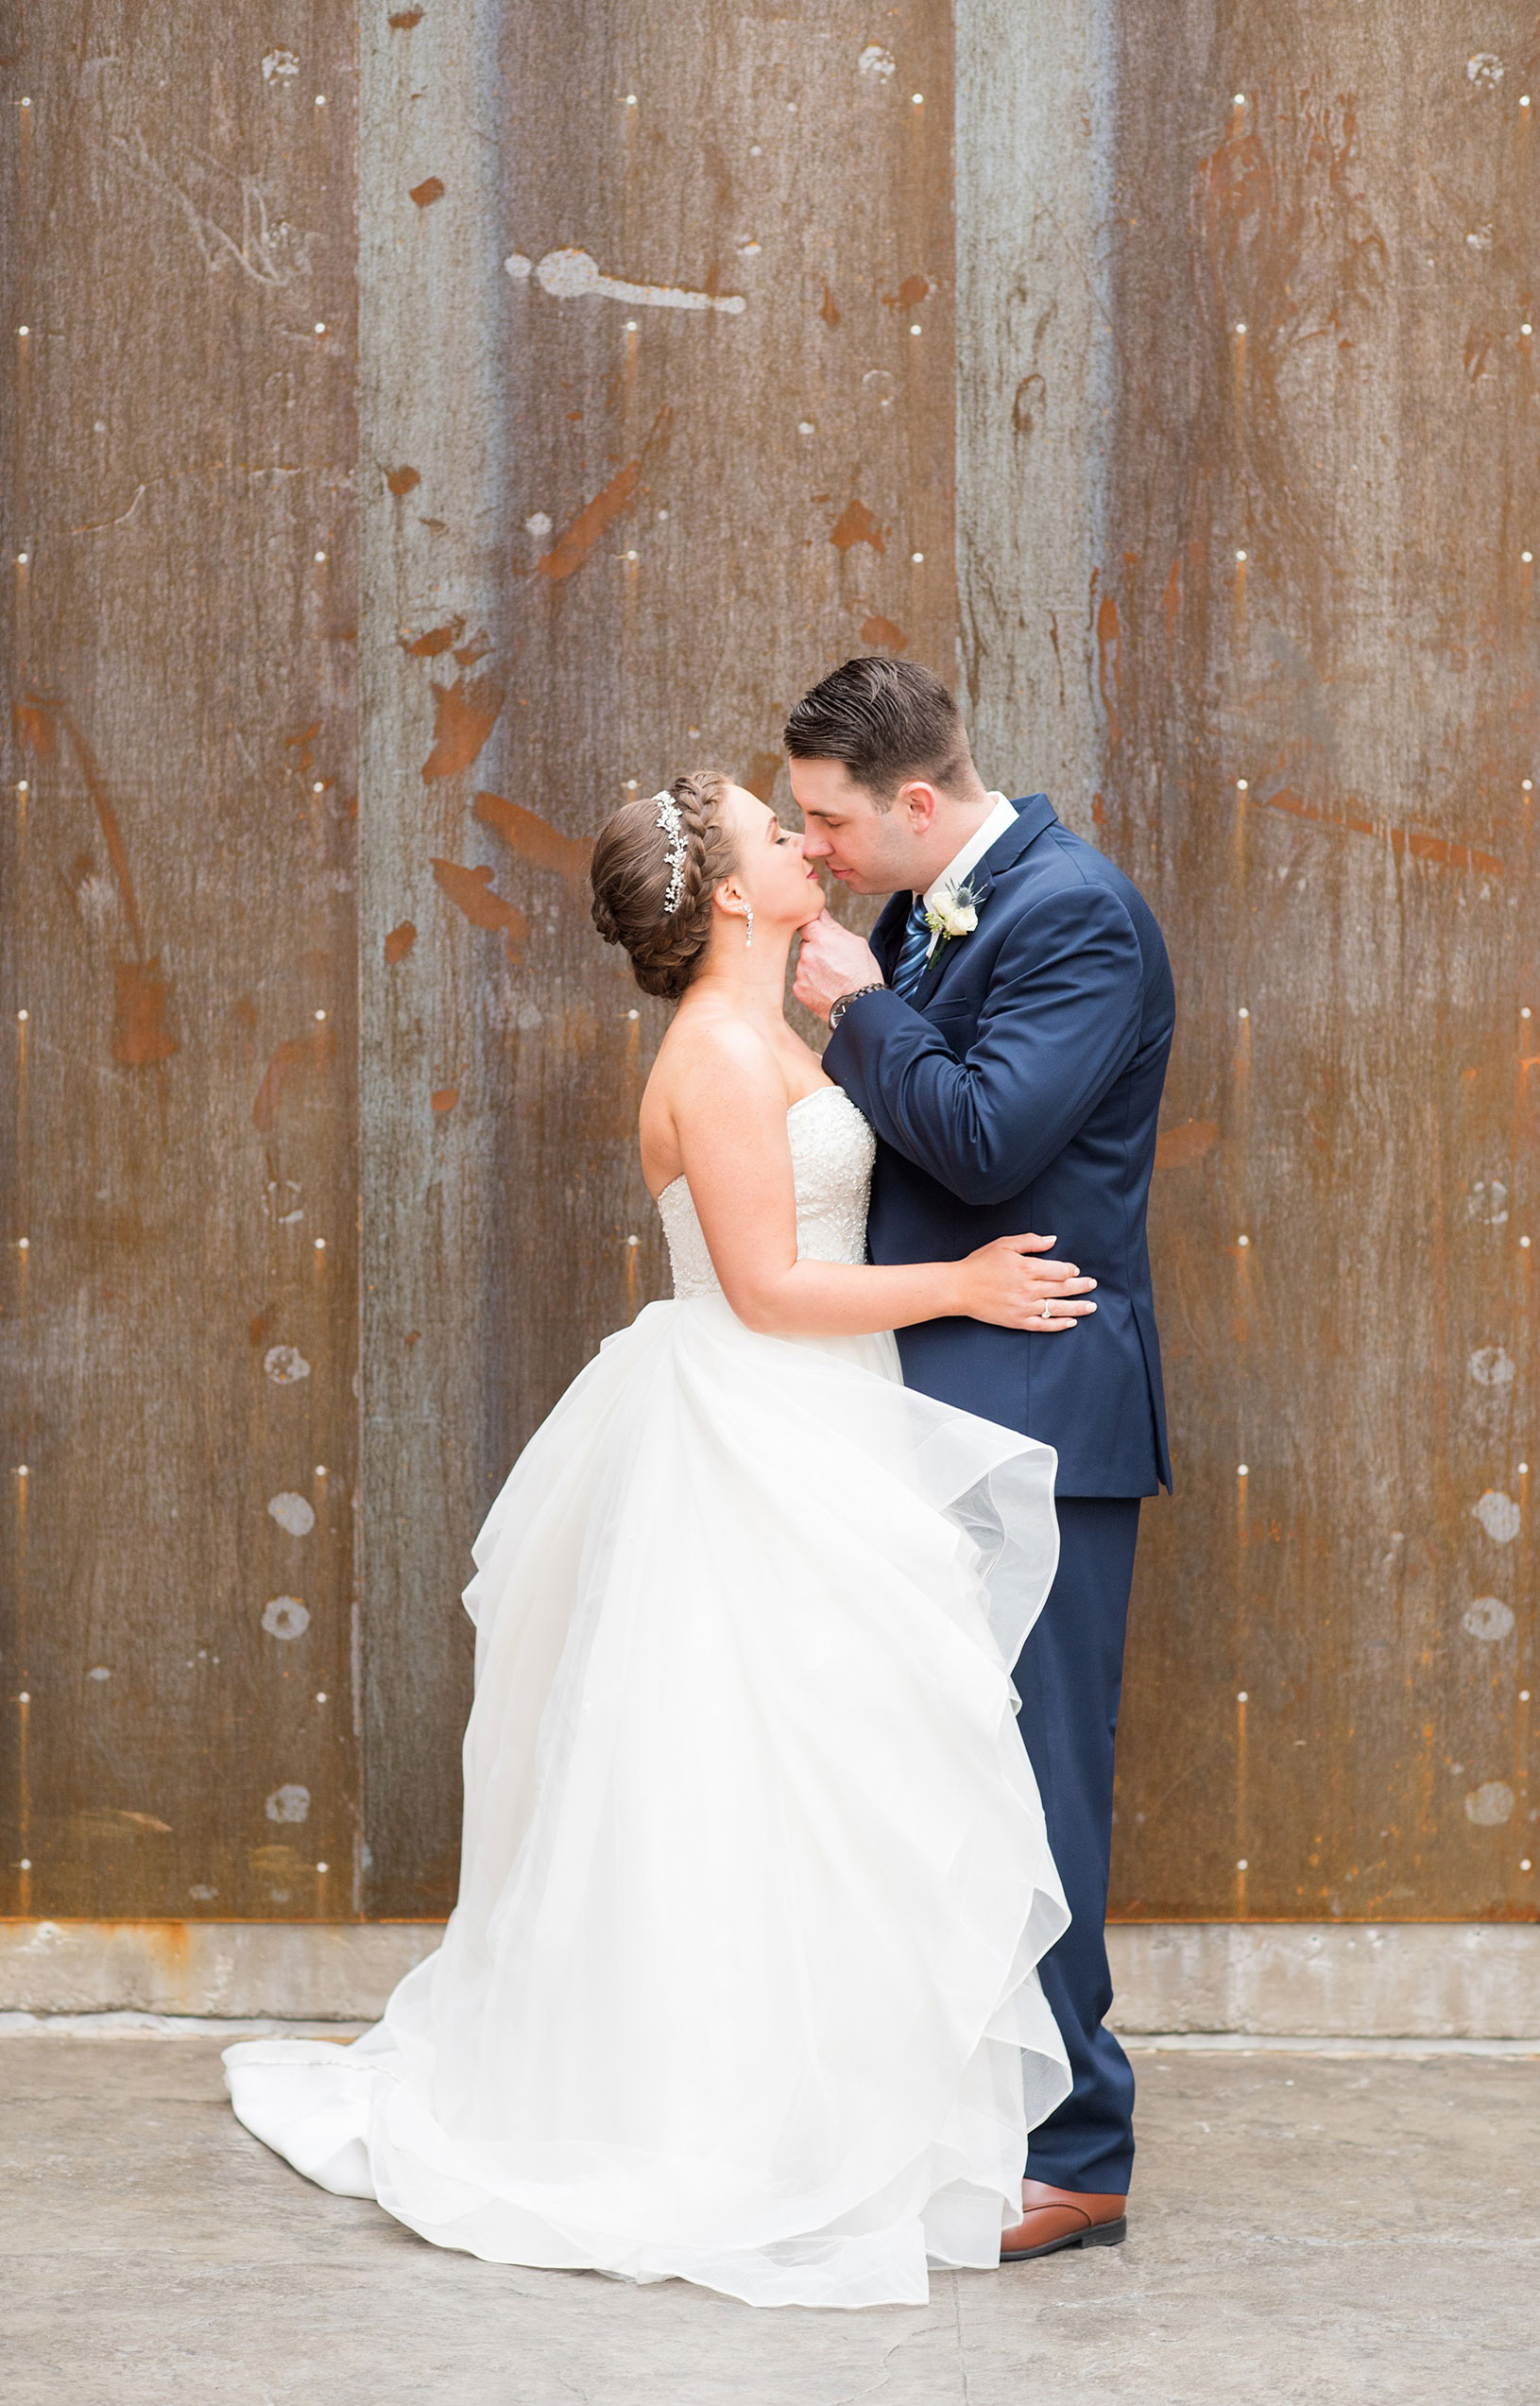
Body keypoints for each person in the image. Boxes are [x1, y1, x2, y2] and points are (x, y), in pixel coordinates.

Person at [224, 767, 1105, 2310]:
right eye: (782, 836)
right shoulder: (710, 1051)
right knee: (743, 1778)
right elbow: (765, 1284)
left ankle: (851, 2101)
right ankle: (726, 2122)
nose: (807, 843)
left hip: (829, 1425)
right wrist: (963, 1286)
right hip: (760, 1422)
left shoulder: (785, 1026)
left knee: (845, 1777)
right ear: (728, 896)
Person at [788, 657, 1174, 2259]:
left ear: (921, 805)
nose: (814, 850)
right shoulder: (922, 904)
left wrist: (859, 1007)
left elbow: (985, 1139)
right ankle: (960, 2107)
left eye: (831, 820)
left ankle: (1077, 2150)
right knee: (940, 1782)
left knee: (1040, 1789)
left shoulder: (1074, 913)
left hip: (1039, 1420)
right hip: (920, 1400)